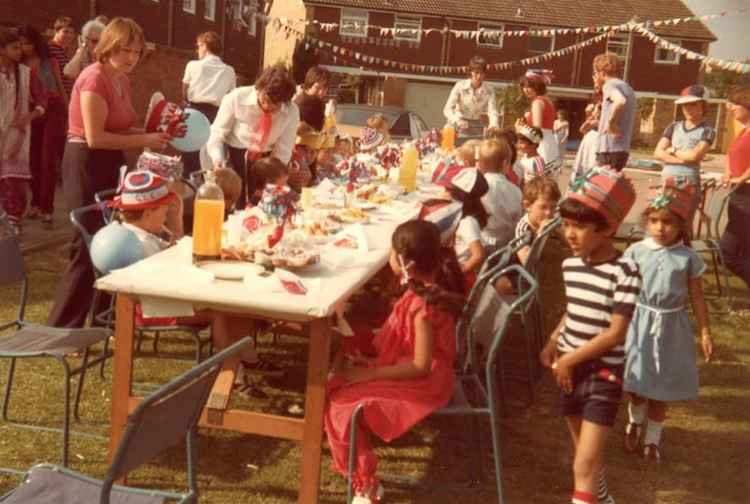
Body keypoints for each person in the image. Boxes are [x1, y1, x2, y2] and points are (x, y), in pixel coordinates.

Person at [324, 219, 465, 504]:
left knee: (341, 405)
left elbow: (420, 366)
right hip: (414, 370)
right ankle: (355, 464)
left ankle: (366, 484)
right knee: (340, 380)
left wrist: (369, 375)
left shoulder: (423, 306)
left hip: (425, 383)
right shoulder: (423, 290)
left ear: (405, 263)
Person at [48, 18, 172, 329]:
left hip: (109, 163)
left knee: (113, 240)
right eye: (125, 50)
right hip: (84, 162)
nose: (131, 57)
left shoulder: (122, 80)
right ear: (109, 47)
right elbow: (95, 137)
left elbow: (117, 127)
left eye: (137, 51)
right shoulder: (94, 79)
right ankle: (64, 327)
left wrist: (149, 132)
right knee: (86, 243)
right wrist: (144, 139)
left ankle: (104, 320)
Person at [106, 170, 281, 375]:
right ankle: (232, 374)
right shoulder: (138, 244)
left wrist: (177, 222)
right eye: (164, 211)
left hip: (168, 296)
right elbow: (167, 273)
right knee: (222, 310)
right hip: (154, 308)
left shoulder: (147, 234)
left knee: (234, 303)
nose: (166, 216)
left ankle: (247, 359)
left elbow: (176, 253)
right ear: (147, 213)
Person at [540, 167, 639, 504]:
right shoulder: (571, 264)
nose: (570, 233)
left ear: (608, 228)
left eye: (580, 227)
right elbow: (574, 309)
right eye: (567, 225)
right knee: (585, 452)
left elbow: (615, 333)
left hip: (603, 374)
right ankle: (602, 497)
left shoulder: (625, 270)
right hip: (568, 373)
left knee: (581, 464)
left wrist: (567, 359)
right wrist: (554, 340)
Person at [622, 178, 712, 463]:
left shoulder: (687, 257)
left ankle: (652, 440)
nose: (661, 228)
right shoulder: (636, 252)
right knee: (637, 383)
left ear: (681, 226)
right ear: (647, 221)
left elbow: (697, 297)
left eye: (668, 223)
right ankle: (635, 420)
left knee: (661, 387)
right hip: (639, 324)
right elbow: (621, 289)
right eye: (655, 221)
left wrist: (706, 332)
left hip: (671, 327)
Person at [206, 64, 299, 208]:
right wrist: (217, 160)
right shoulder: (236, 98)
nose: (268, 107)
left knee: (262, 208)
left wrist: (271, 180)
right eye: (265, 100)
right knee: (233, 208)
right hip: (235, 158)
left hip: (267, 162)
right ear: (259, 88)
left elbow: (284, 148)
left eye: (275, 105)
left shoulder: (291, 111)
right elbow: (217, 133)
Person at [0, 29, 47, 236]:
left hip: (17, 136)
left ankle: (13, 222)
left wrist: (28, 117)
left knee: (14, 181)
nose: (20, 51)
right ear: (2, 50)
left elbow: (42, 100)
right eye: (14, 47)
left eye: (20, 46)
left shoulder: (27, 74)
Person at [18, 24, 66, 227]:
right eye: (21, 44)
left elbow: (61, 88)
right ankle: (36, 203)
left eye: (27, 43)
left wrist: (69, 112)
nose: (24, 47)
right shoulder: (19, 64)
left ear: (35, 42)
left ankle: (47, 209)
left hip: (54, 110)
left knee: (47, 159)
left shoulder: (49, 61)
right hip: (32, 110)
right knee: (32, 160)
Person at [654, 85, 715, 224]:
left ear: (704, 106)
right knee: (662, 220)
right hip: (667, 180)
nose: (688, 108)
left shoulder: (708, 131)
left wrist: (673, 150)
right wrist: (682, 160)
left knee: (683, 225)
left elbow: (694, 156)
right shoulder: (673, 127)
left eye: (693, 104)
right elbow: (658, 152)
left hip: (689, 182)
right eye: (684, 105)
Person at [181, 31, 236, 177]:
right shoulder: (229, 71)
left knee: (190, 160)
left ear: (205, 46)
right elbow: (231, 97)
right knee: (212, 160)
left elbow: (184, 91)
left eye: (198, 46)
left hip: (193, 114)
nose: (197, 50)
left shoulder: (192, 65)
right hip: (217, 117)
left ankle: (190, 194)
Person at [494, 176, 560, 295]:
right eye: (543, 207)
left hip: (539, 268)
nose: (549, 213)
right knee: (503, 285)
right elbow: (528, 263)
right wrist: (541, 235)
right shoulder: (523, 228)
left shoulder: (552, 221)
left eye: (553, 207)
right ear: (527, 206)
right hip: (518, 270)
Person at [720, 85, 750, 289]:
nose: (731, 108)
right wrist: (728, 172)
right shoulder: (743, 131)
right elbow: (732, 156)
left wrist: (741, 178)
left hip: (747, 196)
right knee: (731, 252)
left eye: (735, 104)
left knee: (731, 252)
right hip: (738, 194)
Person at [444, 168, 489, 288]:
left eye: (451, 190)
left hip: (464, 277)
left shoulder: (467, 222)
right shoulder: (466, 216)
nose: (447, 192)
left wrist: (458, 273)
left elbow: (478, 255)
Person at [593, 52, 636, 172]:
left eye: (595, 73)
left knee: (599, 188)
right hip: (621, 149)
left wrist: (612, 123)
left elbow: (619, 101)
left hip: (609, 149)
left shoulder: (609, 85)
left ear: (602, 73)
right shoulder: (627, 87)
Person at [477, 138, 522, 250]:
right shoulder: (516, 190)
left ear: (480, 165)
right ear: (505, 163)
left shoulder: (477, 188)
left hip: (484, 244)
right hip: (507, 245)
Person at [443, 55, 500, 142]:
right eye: (476, 73)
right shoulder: (460, 86)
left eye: (482, 73)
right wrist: (457, 120)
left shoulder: (489, 90)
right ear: (471, 72)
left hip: (477, 127)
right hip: (458, 125)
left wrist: (493, 124)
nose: (479, 76)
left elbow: (492, 111)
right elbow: (447, 109)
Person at [519, 69, 561, 168]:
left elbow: (536, 131)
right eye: (524, 86)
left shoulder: (537, 102)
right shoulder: (547, 101)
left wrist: (520, 128)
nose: (526, 90)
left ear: (537, 86)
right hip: (550, 142)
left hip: (540, 145)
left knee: (536, 177)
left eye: (529, 86)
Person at [294, 66, 330, 132]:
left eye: (324, 88)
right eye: (317, 88)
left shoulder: (318, 103)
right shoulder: (300, 104)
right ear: (309, 85)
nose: (321, 92)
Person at [572, 99, 601, 181]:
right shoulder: (592, 120)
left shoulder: (599, 122)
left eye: (597, 110)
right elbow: (582, 129)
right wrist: (590, 116)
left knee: (591, 166)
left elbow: (583, 129)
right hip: (587, 146)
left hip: (595, 146)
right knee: (583, 165)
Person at [47, 16, 76, 98]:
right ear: (56, 31)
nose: (69, 35)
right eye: (65, 32)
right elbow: (56, 80)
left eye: (71, 33)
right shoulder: (50, 49)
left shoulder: (66, 50)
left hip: (67, 95)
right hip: (57, 97)